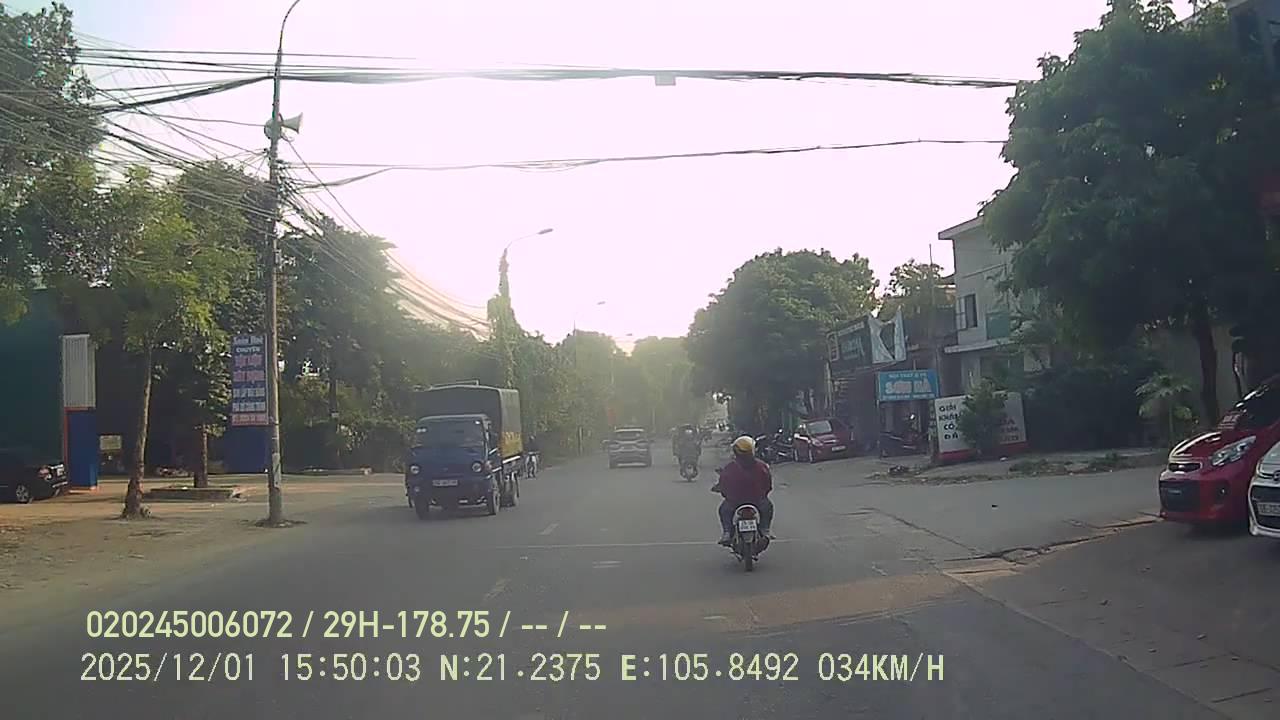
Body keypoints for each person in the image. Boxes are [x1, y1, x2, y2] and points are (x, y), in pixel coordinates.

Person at [712, 435, 774, 545]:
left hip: (735, 501)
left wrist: (726, 494)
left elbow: (723, 486)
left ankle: (727, 532)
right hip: (758, 500)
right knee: (767, 508)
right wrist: (762, 494)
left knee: (724, 510)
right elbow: (768, 485)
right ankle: (765, 529)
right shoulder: (762, 466)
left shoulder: (730, 467)